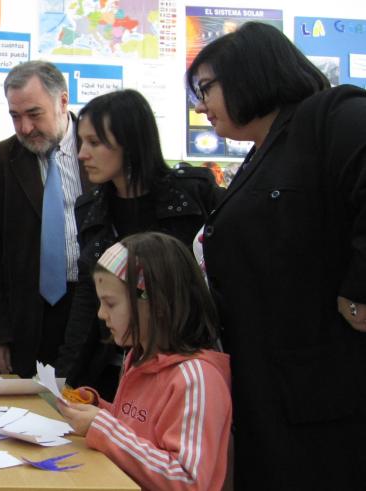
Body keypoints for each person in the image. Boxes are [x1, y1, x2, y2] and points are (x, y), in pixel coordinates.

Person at [187, 21, 366, 489]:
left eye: (206, 88)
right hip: (265, 382)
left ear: (250, 72)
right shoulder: (260, 154)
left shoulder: (331, 116)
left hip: (324, 387)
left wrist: (359, 292)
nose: (200, 105)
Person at [55, 89, 222, 401]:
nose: (81, 154)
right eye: (81, 142)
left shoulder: (194, 196)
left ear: (129, 141)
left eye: (94, 142)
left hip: (185, 371)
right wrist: (65, 377)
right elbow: (89, 296)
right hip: (111, 368)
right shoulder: (90, 208)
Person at [60, 233, 231, 491]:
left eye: (110, 303)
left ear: (156, 304)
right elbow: (137, 433)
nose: (101, 314)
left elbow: (188, 480)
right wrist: (97, 408)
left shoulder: (196, 380)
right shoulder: (137, 358)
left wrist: (103, 428)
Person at [0, 60, 89, 378]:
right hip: (23, 321)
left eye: (34, 114)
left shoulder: (99, 150)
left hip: (92, 313)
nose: (24, 128)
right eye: (15, 116)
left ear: (63, 101)